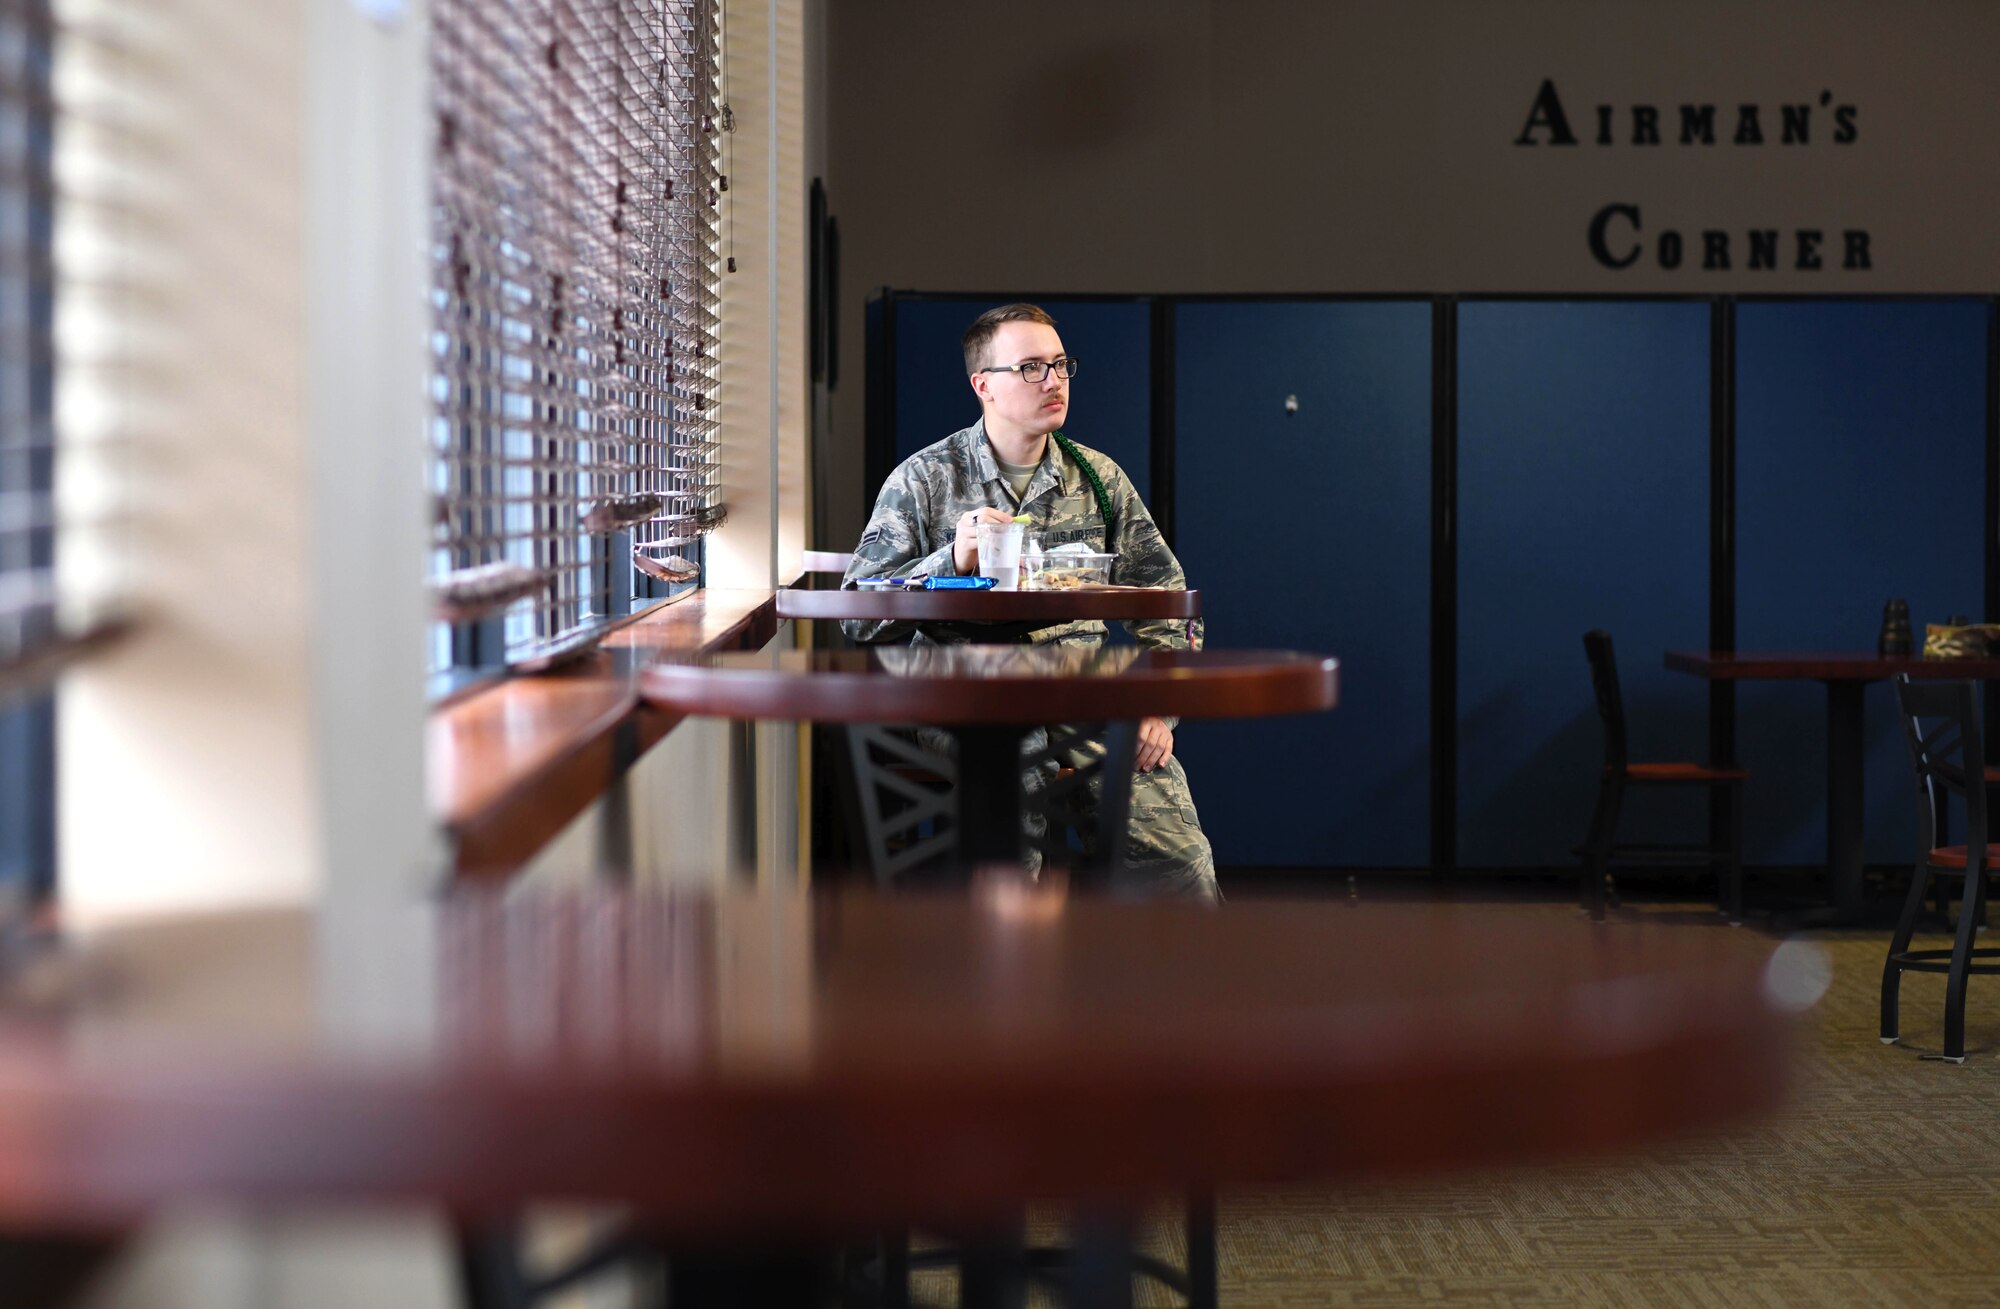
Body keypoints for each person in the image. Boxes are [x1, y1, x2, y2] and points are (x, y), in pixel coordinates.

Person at [843, 303, 1216, 899]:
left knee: (1180, 865)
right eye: (1032, 368)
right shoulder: (925, 478)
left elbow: (1168, 601)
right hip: (969, 697)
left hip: (1083, 692)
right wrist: (951, 560)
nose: (1054, 381)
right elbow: (859, 614)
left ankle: (1178, 992)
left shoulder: (1097, 478)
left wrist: (1157, 709)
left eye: (1061, 365)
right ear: (983, 385)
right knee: (1008, 854)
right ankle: (1003, 986)